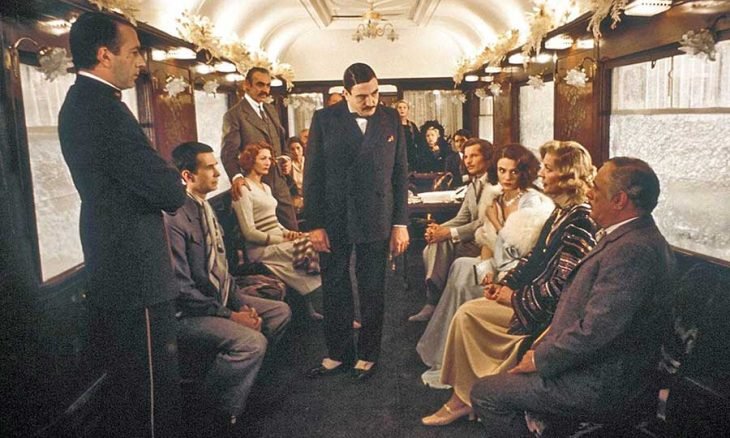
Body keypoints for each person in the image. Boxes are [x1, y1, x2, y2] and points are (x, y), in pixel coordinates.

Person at [470, 157, 676, 437]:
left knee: (486, 393)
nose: (589, 192)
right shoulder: (628, 237)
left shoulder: (633, 251)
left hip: (600, 383)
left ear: (619, 200)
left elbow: (596, 330)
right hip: (590, 366)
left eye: (596, 187)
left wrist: (540, 359)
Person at [58, 12, 186, 436]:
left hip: (116, 262)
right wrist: (173, 179)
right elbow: (168, 190)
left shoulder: (83, 103)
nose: (141, 62)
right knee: (151, 392)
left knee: (136, 389)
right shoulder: (103, 110)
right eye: (133, 52)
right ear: (104, 55)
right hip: (135, 271)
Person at [421, 140, 598, 426]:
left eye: (549, 169)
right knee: (467, 306)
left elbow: (563, 285)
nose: (542, 174)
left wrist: (515, 298)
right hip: (531, 297)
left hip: (549, 315)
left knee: (467, 314)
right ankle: (466, 395)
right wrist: (507, 285)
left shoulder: (580, 220)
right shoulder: (561, 212)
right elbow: (533, 258)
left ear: (568, 176)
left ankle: (462, 400)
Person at [167, 141, 291, 432]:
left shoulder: (205, 209)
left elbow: (222, 272)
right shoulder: (174, 219)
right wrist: (233, 316)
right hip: (189, 314)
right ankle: (213, 413)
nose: (218, 173)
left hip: (219, 300)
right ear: (187, 175)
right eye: (209, 167)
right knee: (251, 342)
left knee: (279, 312)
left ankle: (246, 385)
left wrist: (240, 305)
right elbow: (182, 291)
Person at [304, 63, 409, 380]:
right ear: (345, 93)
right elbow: (312, 176)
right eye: (362, 96)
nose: (371, 100)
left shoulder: (391, 118)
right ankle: (338, 353)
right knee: (334, 285)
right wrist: (314, 225)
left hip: (376, 213)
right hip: (334, 215)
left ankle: (368, 354)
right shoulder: (324, 119)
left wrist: (400, 223)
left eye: (375, 93)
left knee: (372, 287)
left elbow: (400, 174)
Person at [417, 143, 553, 388]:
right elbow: (486, 242)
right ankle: (454, 354)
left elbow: (521, 252)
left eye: (514, 172)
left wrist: (496, 221)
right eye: (502, 171)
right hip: (496, 263)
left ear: (524, 172)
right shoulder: (495, 196)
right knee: (461, 267)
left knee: (464, 273)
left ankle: (473, 359)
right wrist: (485, 269)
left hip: (519, 272)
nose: (507, 177)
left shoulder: (533, 203)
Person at [232, 142, 323, 318]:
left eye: (270, 158)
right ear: (250, 160)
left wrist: (289, 233)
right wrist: (282, 239)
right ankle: (322, 307)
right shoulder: (243, 189)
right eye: (263, 158)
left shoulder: (265, 187)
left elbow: (274, 221)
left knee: (315, 240)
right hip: (260, 249)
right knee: (313, 247)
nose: (268, 162)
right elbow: (249, 232)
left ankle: (309, 306)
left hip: (278, 240)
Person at [408, 138, 494, 322]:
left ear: (487, 159)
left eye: (474, 156)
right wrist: (438, 229)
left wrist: (448, 233)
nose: (468, 161)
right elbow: (462, 218)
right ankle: (435, 301)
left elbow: (483, 223)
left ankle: (433, 301)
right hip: (470, 238)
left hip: (487, 243)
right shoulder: (473, 184)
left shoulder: (495, 186)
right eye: (466, 156)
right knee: (435, 243)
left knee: (439, 244)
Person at [221, 67, 298, 230]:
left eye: (268, 85)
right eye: (260, 85)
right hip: (256, 186)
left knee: (292, 230)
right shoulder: (234, 115)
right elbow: (228, 153)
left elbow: (282, 142)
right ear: (246, 85)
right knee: (266, 234)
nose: (265, 90)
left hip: (280, 183)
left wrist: (286, 158)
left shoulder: (271, 109)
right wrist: (237, 177)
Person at [394, 99, 425, 172]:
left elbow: (419, 141)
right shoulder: (393, 125)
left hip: (410, 157)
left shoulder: (412, 126)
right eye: (400, 107)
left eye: (404, 107)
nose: (402, 110)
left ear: (408, 110)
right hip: (397, 155)